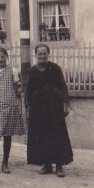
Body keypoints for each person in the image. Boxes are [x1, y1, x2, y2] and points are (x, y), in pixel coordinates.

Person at [26, 43, 73, 177]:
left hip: (54, 108)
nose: (42, 56)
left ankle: (59, 165)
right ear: (36, 56)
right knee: (42, 136)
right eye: (39, 54)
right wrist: (27, 107)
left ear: (48, 54)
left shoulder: (55, 68)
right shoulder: (31, 71)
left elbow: (63, 86)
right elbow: (28, 90)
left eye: (44, 54)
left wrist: (66, 102)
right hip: (37, 109)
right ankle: (46, 165)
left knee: (56, 135)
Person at [0, 47, 25, 174]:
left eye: (3, 57)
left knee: (7, 136)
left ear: (7, 57)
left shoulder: (12, 71)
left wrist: (18, 101)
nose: (0, 59)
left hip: (9, 107)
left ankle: (5, 162)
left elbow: (16, 89)